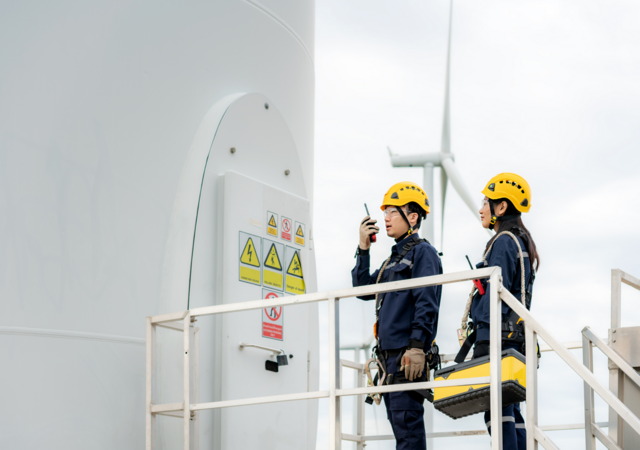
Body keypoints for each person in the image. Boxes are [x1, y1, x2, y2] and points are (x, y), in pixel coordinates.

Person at [352, 181, 443, 450]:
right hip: (388, 361)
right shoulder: (392, 260)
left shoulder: (423, 253)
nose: (386, 218)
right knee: (402, 432)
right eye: (386, 212)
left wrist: (417, 347)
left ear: (412, 217)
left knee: (408, 432)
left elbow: (427, 302)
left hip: (406, 358)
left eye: (392, 211)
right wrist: (363, 248)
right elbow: (362, 289)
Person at [465, 172, 540, 449]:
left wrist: (480, 336)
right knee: (509, 410)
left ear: (501, 207)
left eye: (486, 201)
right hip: (515, 340)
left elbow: (495, 297)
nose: (481, 208)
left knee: (496, 412)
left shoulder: (503, 242)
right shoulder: (520, 241)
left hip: (497, 339)